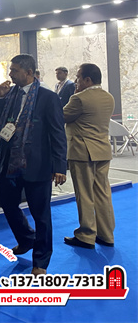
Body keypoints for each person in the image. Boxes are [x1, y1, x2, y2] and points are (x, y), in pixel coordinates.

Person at [0, 54, 67, 276]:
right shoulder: (10, 94)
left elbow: (58, 133)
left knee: (41, 215)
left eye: (14, 70)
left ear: (29, 72)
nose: (10, 74)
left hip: (37, 165)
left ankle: (41, 261)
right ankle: (26, 239)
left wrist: (60, 166)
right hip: (9, 163)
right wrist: (0, 97)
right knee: (7, 204)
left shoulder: (47, 97)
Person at [63, 63, 115, 249]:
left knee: (84, 194)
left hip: (82, 152)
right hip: (103, 151)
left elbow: (62, 116)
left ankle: (86, 235)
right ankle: (106, 234)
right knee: (103, 193)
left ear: (87, 80)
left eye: (78, 77)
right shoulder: (109, 97)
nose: (76, 81)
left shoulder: (79, 98)